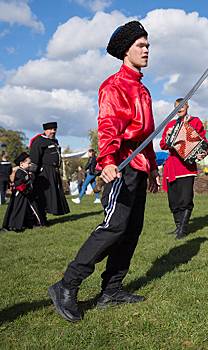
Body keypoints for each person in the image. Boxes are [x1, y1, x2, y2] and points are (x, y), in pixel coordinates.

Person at [48, 20, 160, 322]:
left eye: (148, 44)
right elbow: (108, 126)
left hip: (138, 167)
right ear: (126, 51)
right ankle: (66, 285)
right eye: (141, 45)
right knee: (114, 228)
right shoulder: (114, 86)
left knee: (131, 230)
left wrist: (151, 169)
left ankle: (111, 289)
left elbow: (146, 136)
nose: (147, 49)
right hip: (120, 168)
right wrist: (108, 160)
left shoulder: (144, 90)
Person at [160, 98, 208, 238]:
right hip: (172, 166)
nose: (179, 108)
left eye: (182, 106)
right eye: (176, 107)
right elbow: (163, 144)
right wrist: (169, 138)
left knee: (185, 199)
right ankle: (178, 226)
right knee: (173, 200)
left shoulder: (195, 122)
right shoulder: (170, 124)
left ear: (187, 106)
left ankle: (183, 229)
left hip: (186, 167)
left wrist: (202, 153)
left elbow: (203, 142)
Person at [29, 121, 69, 223]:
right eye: (51, 129)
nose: (53, 131)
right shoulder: (39, 141)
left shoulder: (54, 141)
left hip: (54, 172)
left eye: (54, 129)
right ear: (45, 130)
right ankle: (39, 219)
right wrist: (32, 174)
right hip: (44, 173)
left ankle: (43, 218)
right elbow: (34, 159)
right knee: (44, 196)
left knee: (52, 195)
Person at [2, 152, 42, 231]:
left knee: (30, 210)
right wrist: (25, 190)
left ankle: (32, 223)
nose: (30, 165)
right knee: (17, 210)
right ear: (22, 164)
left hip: (27, 195)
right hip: (20, 195)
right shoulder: (19, 172)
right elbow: (19, 184)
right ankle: (14, 225)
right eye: (29, 163)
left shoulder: (26, 172)